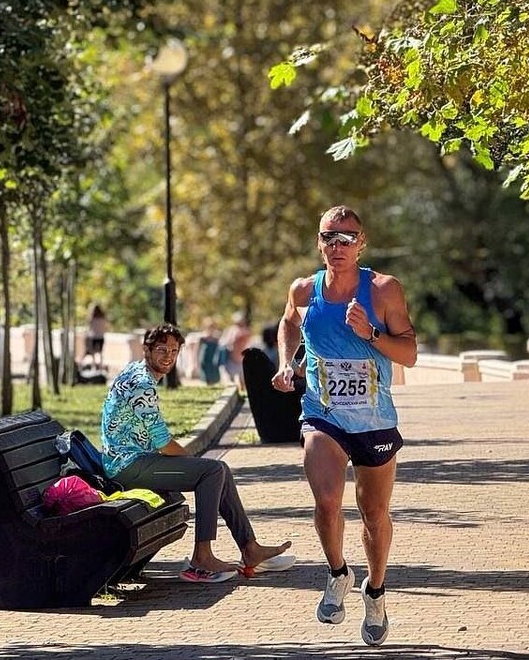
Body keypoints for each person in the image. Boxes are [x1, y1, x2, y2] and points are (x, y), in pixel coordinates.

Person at [271, 205, 417, 646]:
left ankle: (375, 591)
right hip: (323, 413)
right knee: (327, 499)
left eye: (347, 238)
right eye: (329, 238)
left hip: (374, 419)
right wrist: (285, 363)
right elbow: (287, 323)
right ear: (319, 243)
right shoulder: (302, 289)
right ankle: (337, 574)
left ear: (362, 243)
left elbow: (408, 353)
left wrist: (370, 333)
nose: (338, 246)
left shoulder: (384, 290)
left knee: (374, 515)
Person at [101, 323, 294, 583]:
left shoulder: (136, 371)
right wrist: (197, 467)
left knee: (219, 470)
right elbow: (163, 443)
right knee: (212, 471)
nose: (168, 356)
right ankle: (201, 557)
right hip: (128, 465)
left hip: (133, 460)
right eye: (161, 349)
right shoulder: (142, 384)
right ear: (146, 349)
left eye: (173, 350)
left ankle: (250, 548)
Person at [220, 311, 252, 391]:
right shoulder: (231, 330)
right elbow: (226, 343)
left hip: (240, 359)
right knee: (230, 379)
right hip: (232, 359)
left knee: (243, 380)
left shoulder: (245, 331)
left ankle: (243, 392)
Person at [196, 319, 222, 386]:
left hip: (213, 357)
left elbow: (219, 348)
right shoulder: (202, 338)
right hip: (205, 357)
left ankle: (212, 383)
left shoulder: (216, 338)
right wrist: (196, 360)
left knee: (213, 372)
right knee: (205, 372)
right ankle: (207, 383)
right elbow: (198, 349)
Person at [84, 304, 109, 370]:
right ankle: (100, 365)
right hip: (101, 336)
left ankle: (94, 365)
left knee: (93, 352)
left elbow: (89, 328)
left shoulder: (92, 319)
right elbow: (106, 327)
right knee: (100, 352)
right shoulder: (103, 319)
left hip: (93, 336)